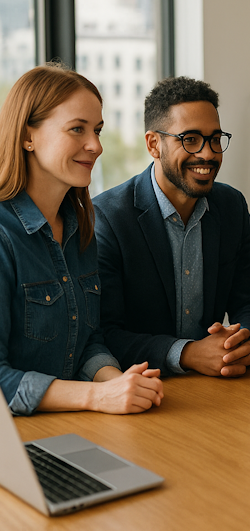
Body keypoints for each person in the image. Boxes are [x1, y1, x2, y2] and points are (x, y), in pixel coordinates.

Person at [0, 64, 163, 416]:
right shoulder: (3, 236)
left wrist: (118, 382)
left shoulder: (81, 228)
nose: (96, 146)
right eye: (77, 129)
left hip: (71, 427)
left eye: (98, 130)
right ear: (28, 136)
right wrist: (96, 397)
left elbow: (87, 340)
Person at [93, 77, 250, 377]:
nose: (208, 153)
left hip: (220, 385)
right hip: (143, 385)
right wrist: (187, 353)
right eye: (190, 139)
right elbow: (105, 334)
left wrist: (245, 343)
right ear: (153, 144)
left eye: (215, 139)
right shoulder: (108, 217)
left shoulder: (231, 206)